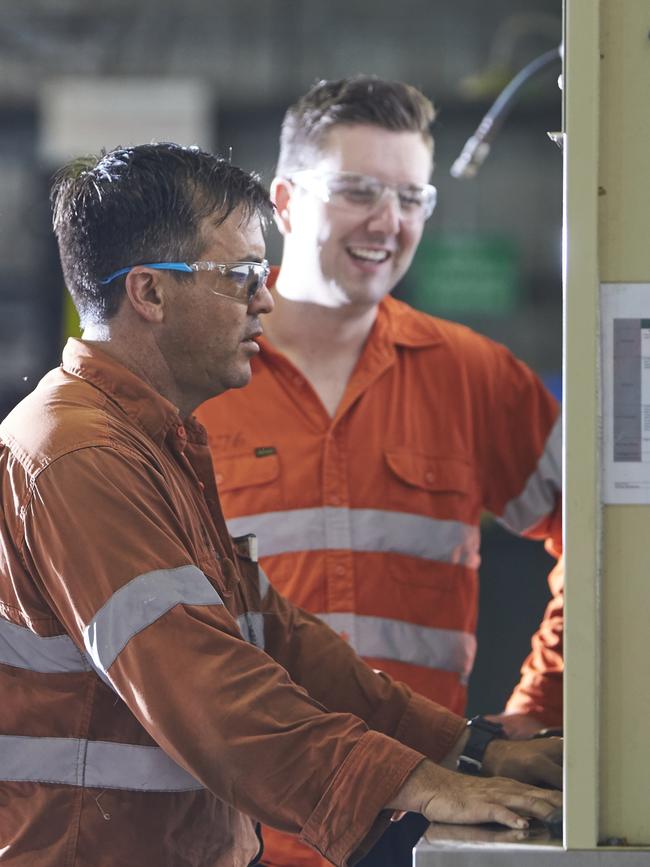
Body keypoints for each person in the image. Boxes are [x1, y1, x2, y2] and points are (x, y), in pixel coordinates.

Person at [0, 143, 561, 867]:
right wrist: (416, 783)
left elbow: (278, 639)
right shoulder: (78, 455)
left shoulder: (153, 443)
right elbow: (205, 685)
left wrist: (465, 747)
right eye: (238, 276)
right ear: (149, 292)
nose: (265, 297)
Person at [195, 77, 564, 866]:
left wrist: (540, 705)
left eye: (411, 197)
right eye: (359, 191)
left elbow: (612, 542)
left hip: (427, 824)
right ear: (286, 202)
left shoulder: (473, 376)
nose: (388, 222)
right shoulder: (196, 378)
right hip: (236, 829)